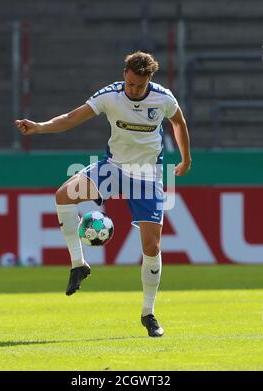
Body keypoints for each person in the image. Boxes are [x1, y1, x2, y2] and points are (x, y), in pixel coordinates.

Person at [15, 51, 191, 338]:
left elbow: (179, 123)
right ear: (124, 74)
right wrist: (40, 127)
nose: (134, 90)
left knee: (151, 247)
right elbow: (73, 117)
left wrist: (186, 159)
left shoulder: (163, 98)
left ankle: (148, 313)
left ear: (149, 80)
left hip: (147, 175)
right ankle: (78, 263)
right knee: (63, 196)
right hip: (113, 168)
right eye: (131, 83)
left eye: (140, 85)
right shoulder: (110, 96)